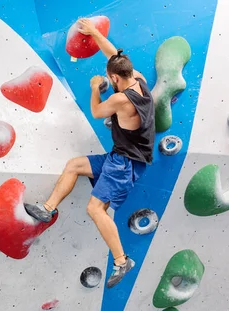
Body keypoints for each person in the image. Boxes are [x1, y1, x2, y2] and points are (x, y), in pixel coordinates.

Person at [24, 18, 155, 288]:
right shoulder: (139, 81)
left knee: (95, 209)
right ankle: (48, 209)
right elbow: (115, 56)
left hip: (124, 164)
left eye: (111, 79)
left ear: (115, 79)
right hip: (121, 158)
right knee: (74, 165)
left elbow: (97, 112)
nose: (111, 81)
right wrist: (94, 32)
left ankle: (121, 261)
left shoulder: (121, 99)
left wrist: (96, 88)